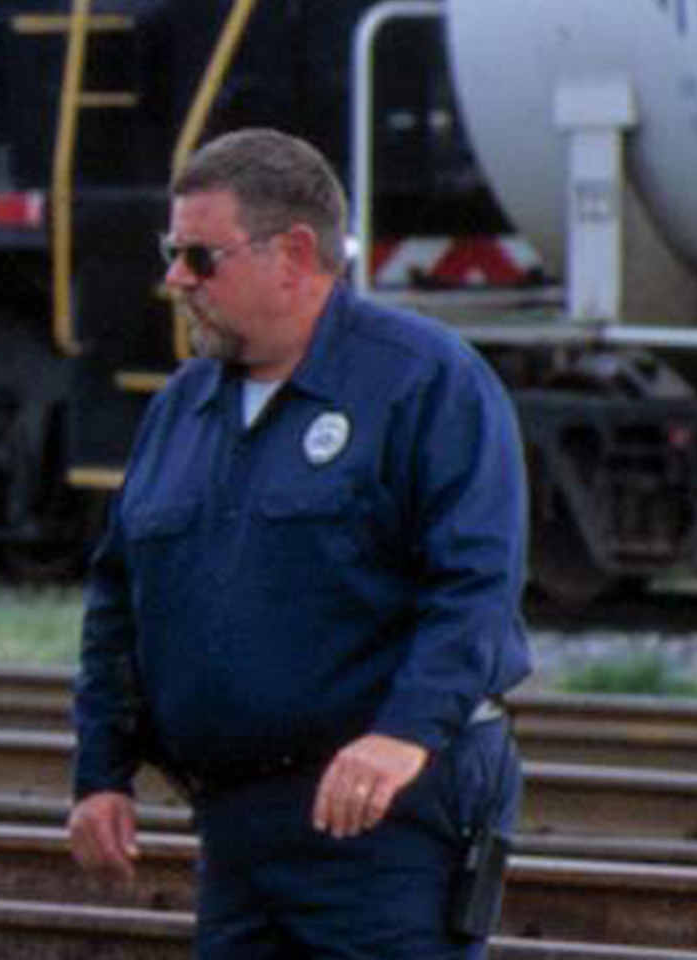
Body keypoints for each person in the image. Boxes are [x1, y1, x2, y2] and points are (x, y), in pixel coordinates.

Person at [68, 128, 531, 957]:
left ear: (294, 254)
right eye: (171, 254)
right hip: (238, 828)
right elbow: (119, 599)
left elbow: (474, 587)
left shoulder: (424, 382)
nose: (175, 280)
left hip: (386, 819)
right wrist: (101, 772)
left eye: (199, 258)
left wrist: (405, 734)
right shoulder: (184, 407)